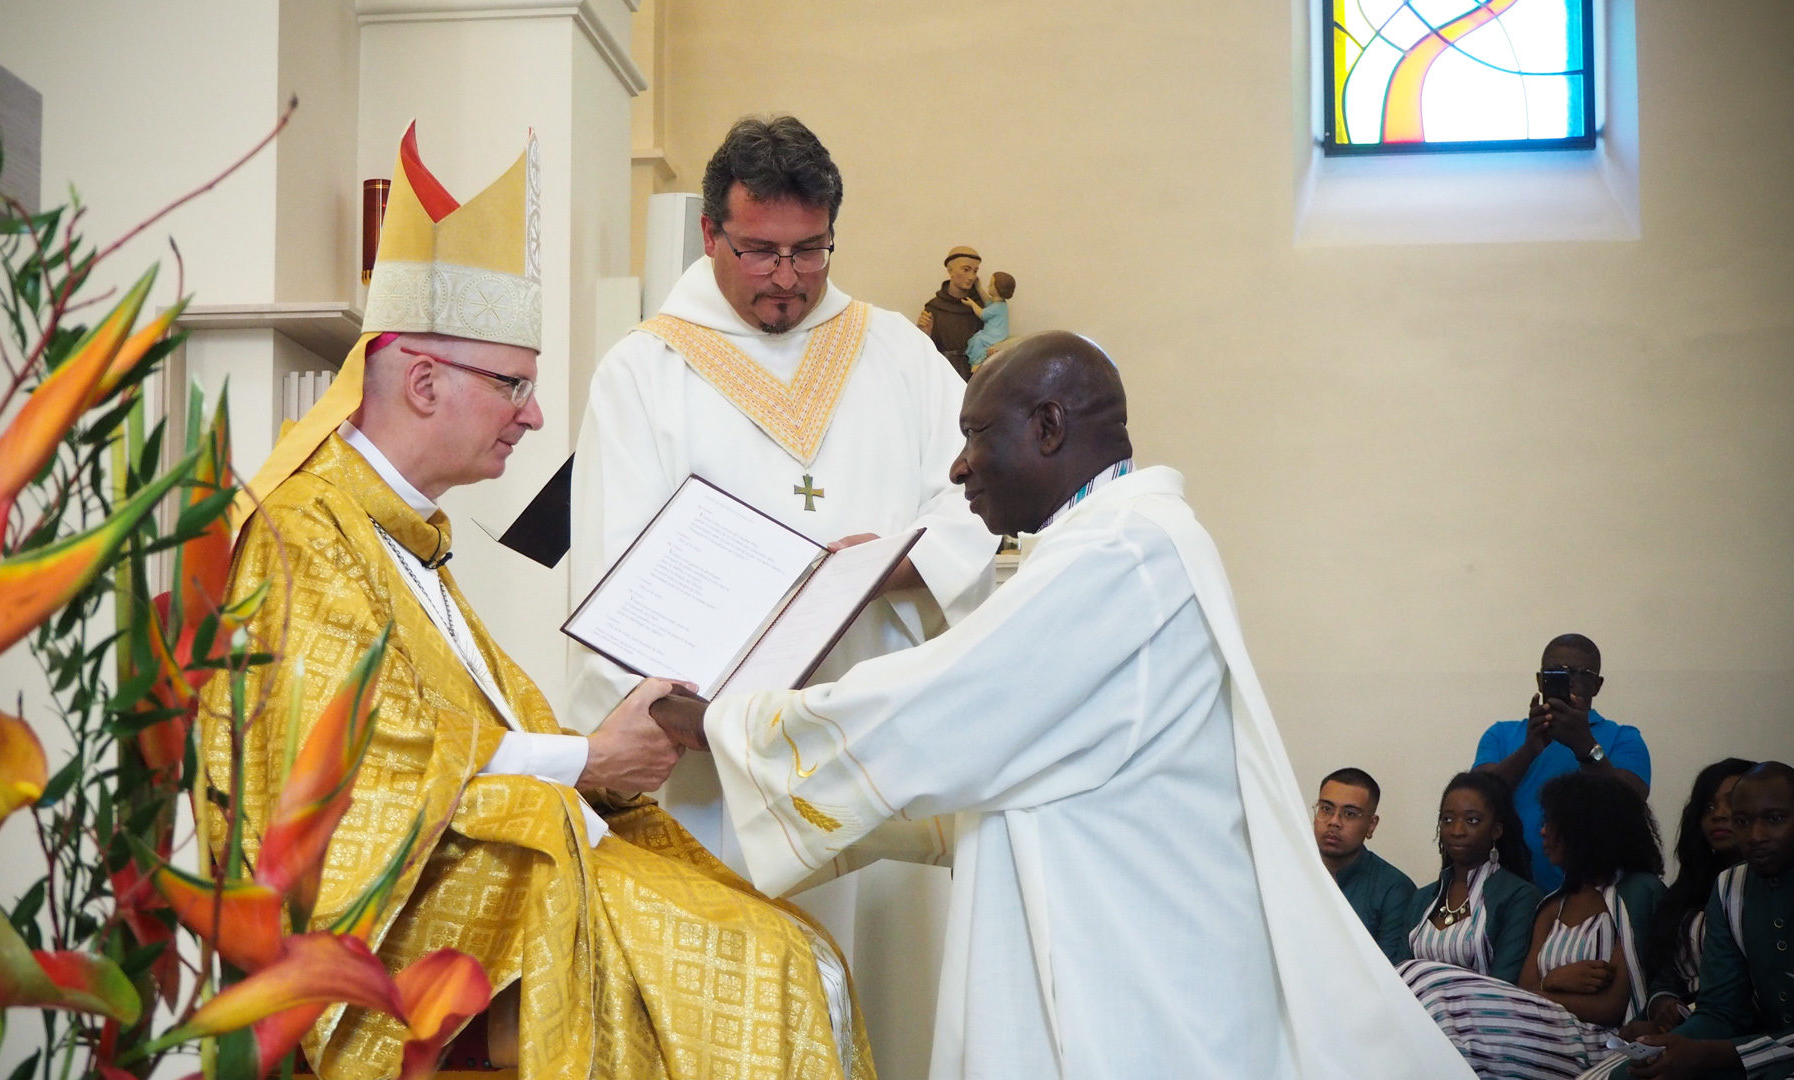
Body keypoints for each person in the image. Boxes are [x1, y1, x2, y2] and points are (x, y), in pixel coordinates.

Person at [204, 125, 872, 1080]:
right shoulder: (307, 532)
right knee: (769, 968)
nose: (535, 415)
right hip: (408, 930)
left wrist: (597, 759)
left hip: (495, 861)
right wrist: (592, 755)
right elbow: (366, 775)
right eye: (513, 386)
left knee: (790, 950)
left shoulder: (398, 530)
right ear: (425, 381)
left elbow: (452, 730)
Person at [650, 332, 1474, 1079]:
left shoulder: (1123, 552)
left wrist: (726, 721)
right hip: (1126, 945)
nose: (958, 467)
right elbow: (1005, 752)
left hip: (1132, 978)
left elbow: (945, 709)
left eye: (975, 436)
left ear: (1048, 427)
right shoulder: (1115, 543)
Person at [566, 114, 996, 1076]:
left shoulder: (896, 352)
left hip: (875, 750)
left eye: (809, 249)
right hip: (719, 775)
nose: (787, 276)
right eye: (759, 250)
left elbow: (974, 505)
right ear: (712, 234)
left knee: (891, 1000)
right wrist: (664, 708)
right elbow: (611, 569)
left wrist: (890, 564)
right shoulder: (647, 369)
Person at [1401, 772, 1666, 1080]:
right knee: (1424, 1001)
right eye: (1448, 819)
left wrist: (1546, 987)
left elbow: (1610, 1006)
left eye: (1553, 822)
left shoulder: (1635, 893)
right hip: (1541, 1030)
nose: (1542, 832)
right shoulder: (1553, 905)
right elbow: (1522, 991)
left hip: (1595, 1041)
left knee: (1434, 1001)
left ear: (1587, 829)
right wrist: (1554, 980)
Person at [1594, 761, 1794, 1080]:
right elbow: (1721, 1009)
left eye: (1775, 819)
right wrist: (1668, 1047)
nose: (1756, 836)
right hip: (1762, 1050)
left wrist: (1705, 1054)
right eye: (1742, 821)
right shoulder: (1730, 886)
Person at [1476, 634, 1654, 893]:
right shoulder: (1501, 734)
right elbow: (1478, 799)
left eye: (1581, 673)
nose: (1570, 679)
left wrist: (1586, 746)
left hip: (1598, 893)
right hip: (1510, 893)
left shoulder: (1624, 738)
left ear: (1597, 684)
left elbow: (1632, 806)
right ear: (1540, 680)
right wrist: (1529, 750)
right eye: (1557, 672)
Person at [1643, 758, 1757, 1032]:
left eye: (1732, 802)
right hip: (1688, 1022)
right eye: (1708, 806)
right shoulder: (1687, 892)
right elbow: (1667, 975)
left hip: (1743, 1027)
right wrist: (1663, 1004)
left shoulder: (1773, 888)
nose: (1719, 814)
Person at [1396, 771, 1542, 979]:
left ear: (1496, 830)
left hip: (1485, 1009)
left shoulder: (1519, 896)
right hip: (1415, 1009)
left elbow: (1505, 983)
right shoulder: (1422, 898)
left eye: (1472, 820)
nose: (1457, 830)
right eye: (1447, 819)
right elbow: (1401, 974)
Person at [1315, 767, 1418, 963]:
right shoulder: (1288, 871)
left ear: (1371, 825)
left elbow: (1389, 973)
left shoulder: (1394, 890)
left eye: (1350, 814)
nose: (1334, 822)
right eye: (1326, 809)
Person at [916, 245, 984, 379]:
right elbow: (924, 352)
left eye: (975, 271)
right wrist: (925, 334)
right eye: (966, 269)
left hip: (975, 374)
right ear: (950, 270)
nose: (971, 277)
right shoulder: (934, 307)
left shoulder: (980, 307)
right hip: (944, 373)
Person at [962, 271, 1015, 372]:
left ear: (998, 288)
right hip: (997, 333)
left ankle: (977, 363)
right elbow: (987, 301)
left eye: (991, 284)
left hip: (994, 336)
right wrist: (979, 287)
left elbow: (982, 314)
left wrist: (972, 304)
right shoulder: (1000, 303)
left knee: (978, 341)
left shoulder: (997, 307)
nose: (988, 286)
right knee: (977, 340)